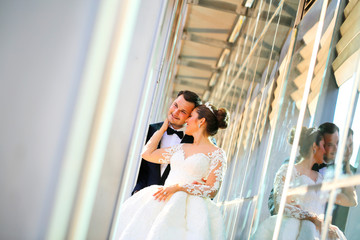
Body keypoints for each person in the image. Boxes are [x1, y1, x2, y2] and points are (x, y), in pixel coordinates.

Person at [116, 103, 229, 240]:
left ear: (201, 121)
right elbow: (147, 154)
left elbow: (212, 189)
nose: (186, 120)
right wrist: (162, 129)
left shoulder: (217, 153)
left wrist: (179, 187)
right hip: (163, 198)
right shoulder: (181, 147)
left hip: (192, 209)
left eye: (191, 116)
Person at [253, 126, 349, 239]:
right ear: (314, 147)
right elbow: (279, 204)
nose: (326, 151)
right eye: (323, 146)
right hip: (292, 228)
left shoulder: (321, 179)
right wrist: (311, 218)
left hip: (317, 230)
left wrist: (325, 224)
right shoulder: (288, 170)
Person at [132, 90, 201, 194]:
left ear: (191, 117)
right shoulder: (149, 130)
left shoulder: (196, 141)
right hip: (143, 196)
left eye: (183, 111)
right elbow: (140, 168)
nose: (175, 112)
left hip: (174, 200)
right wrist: (137, 190)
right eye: (175, 105)